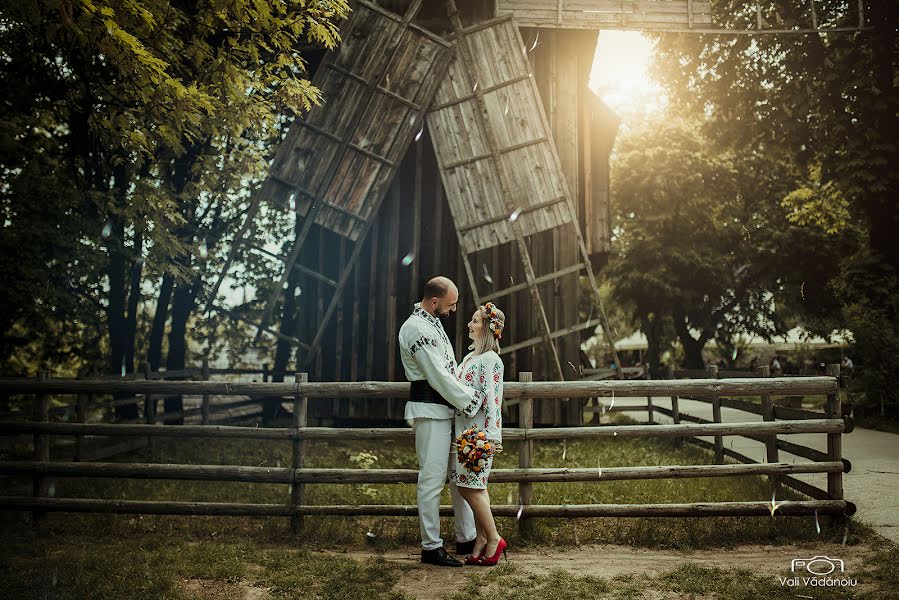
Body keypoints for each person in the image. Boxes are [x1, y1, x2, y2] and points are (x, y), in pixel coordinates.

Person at [398, 276, 482, 567]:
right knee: (432, 480)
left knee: (459, 477)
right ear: (434, 302)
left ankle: (466, 537)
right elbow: (436, 374)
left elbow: (449, 369)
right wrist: (471, 399)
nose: (454, 310)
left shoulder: (432, 323)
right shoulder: (414, 328)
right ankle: (431, 547)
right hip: (429, 411)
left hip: (448, 411)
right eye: (450, 304)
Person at [452, 301, 507, 566]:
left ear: (487, 328)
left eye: (475, 321)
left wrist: (492, 437)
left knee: (469, 488)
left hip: (479, 436)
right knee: (472, 487)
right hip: (464, 433)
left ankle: (494, 538)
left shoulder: (490, 360)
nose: (469, 325)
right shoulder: (469, 358)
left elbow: (493, 400)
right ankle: (482, 540)